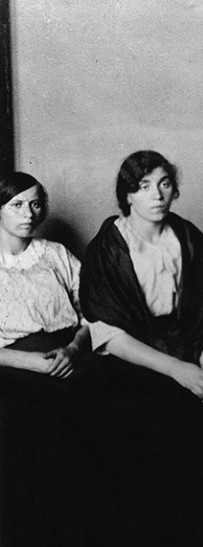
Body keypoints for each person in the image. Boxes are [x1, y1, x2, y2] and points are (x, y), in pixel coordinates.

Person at [80, 150, 203, 546]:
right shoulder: (109, 246)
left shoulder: (186, 236)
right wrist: (180, 371)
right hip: (132, 357)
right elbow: (108, 334)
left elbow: (201, 315)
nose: (157, 195)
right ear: (128, 195)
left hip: (186, 348)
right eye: (144, 186)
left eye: (164, 184)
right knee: (149, 437)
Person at [0, 172, 94, 545]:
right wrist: (31, 362)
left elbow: (93, 315)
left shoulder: (55, 254)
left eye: (36, 203)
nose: (29, 213)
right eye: (16, 204)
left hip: (69, 358)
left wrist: (73, 349)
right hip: (14, 369)